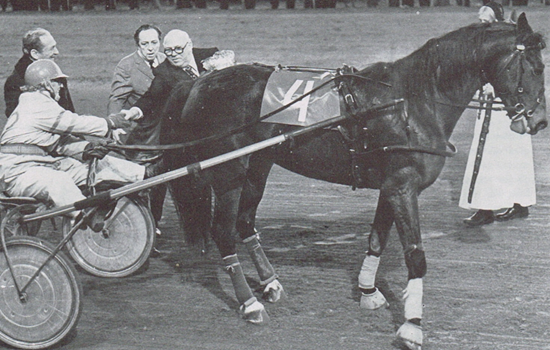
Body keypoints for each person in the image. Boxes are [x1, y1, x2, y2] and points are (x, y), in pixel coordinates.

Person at [0, 59, 159, 227]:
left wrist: (86, 148)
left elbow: (58, 143)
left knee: (93, 166)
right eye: (57, 82)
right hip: (17, 173)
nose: (61, 86)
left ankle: (143, 173)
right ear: (46, 84)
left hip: (36, 165)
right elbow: (75, 123)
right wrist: (110, 123)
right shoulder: (37, 104)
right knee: (59, 180)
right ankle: (86, 215)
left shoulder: (33, 104)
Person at [120, 29, 221, 238]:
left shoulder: (210, 56)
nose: (173, 54)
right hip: (187, 136)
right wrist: (135, 110)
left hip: (218, 129)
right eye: (168, 51)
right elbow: (150, 97)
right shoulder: (164, 73)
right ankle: (153, 225)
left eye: (178, 49)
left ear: (189, 45)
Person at [459, 3, 535, 226]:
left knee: (494, 154)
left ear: (494, 20)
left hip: (505, 105)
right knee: (508, 153)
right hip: (502, 105)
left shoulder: (505, 42)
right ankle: (518, 203)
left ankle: (488, 208)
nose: (480, 23)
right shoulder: (488, 41)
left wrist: (495, 85)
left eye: (484, 19)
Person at [4, 28, 74, 118]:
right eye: (51, 48)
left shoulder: (53, 72)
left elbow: (69, 112)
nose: (57, 52)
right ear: (35, 54)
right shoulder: (15, 83)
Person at [108, 24, 165, 118]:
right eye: (145, 44)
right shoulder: (126, 66)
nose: (150, 48)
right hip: (139, 123)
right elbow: (117, 100)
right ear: (138, 45)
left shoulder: (165, 60)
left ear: (159, 42)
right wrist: (115, 125)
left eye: (154, 42)